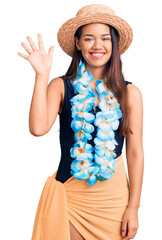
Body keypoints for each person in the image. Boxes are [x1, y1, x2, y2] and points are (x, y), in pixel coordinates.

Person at [17, 3, 144, 240]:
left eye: (105, 38)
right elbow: (37, 128)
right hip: (71, 197)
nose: (98, 45)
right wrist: (41, 75)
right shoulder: (61, 86)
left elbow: (135, 153)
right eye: (89, 38)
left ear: (113, 44)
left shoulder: (130, 94)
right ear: (78, 43)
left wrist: (134, 207)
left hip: (112, 202)